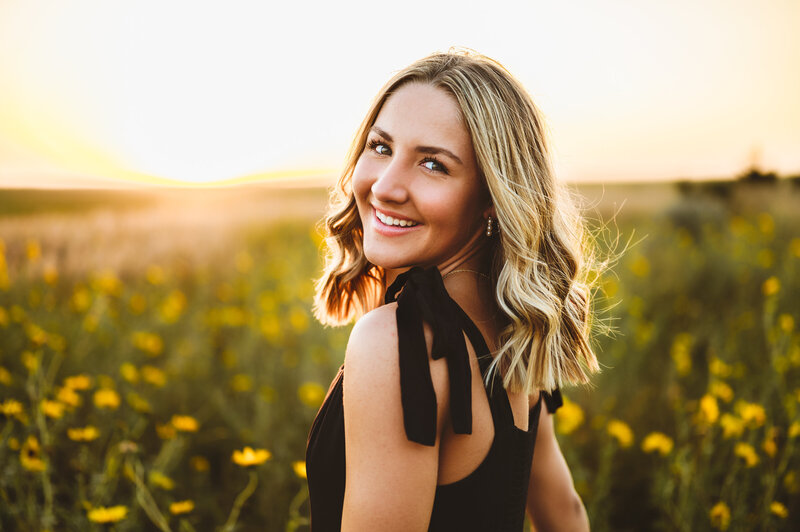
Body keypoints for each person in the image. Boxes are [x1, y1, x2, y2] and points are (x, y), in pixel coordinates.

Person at [306, 48, 601, 531]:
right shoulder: (518, 329)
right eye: (381, 147)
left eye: (433, 165)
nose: (385, 187)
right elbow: (565, 514)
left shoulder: (396, 343)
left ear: (492, 197)